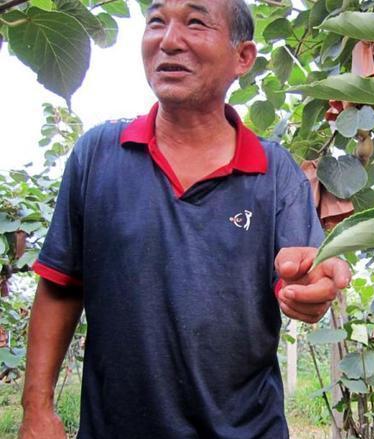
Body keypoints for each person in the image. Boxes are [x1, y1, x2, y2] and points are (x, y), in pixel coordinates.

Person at [18, 0, 351, 437]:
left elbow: (300, 277)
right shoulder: (97, 154)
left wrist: (310, 287)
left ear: (243, 57)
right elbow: (61, 286)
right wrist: (36, 408)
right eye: (156, 22)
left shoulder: (274, 173)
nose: (169, 41)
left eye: (195, 23)